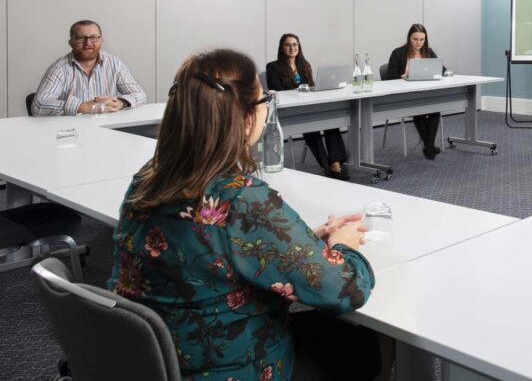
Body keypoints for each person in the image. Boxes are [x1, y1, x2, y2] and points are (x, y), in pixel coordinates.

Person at [108, 49, 384, 381]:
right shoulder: (241, 196)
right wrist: (343, 244)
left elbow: (212, 248)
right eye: (263, 98)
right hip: (232, 366)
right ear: (244, 116)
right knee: (368, 343)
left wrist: (303, 238)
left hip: (151, 360)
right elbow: (345, 290)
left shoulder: (147, 177)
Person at [266, 33, 350, 181]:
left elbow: (311, 85)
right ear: (281, 48)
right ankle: (326, 165)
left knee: (330, 121)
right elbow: (276, 89)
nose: (292, 48)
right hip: (289, 109)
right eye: (288, 45)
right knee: (311, 126)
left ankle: (335, 162)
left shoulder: (304, 65)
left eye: (295, 44)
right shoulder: (273, 67)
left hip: (307, 103)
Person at [31, 19, 147, 115]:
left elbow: (140, 95)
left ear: (101, 40)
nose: (88, 43)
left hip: (108, 130)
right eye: (81, 38)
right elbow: (38, 105)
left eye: (93, 38)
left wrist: (122, 102)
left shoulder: (114, 63)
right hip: (72, 132)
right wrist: (81, 107)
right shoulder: (59, 69)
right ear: (71, 43)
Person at [387, 23, 443, 160]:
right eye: (415, 39)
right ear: (409, 38)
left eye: (422, 39)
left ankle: (428, 146)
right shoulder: (398, 53)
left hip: (425, 93)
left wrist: (445, 72)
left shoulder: (428, 52)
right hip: (405, 95)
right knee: (419, 111)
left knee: (435, 110)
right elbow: (389, 77)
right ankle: (429, 148)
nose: (418, 43)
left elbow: (442, 69)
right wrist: (404, 76)